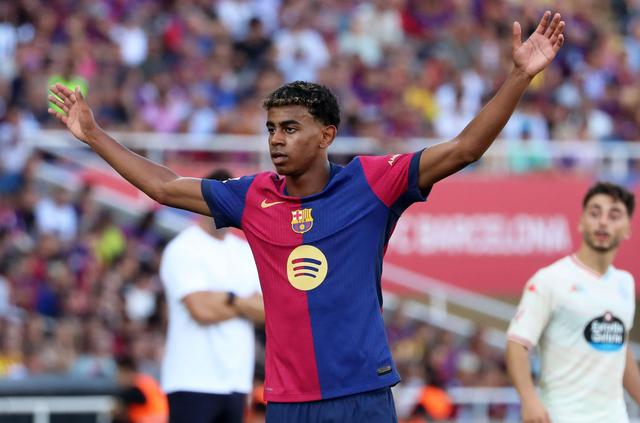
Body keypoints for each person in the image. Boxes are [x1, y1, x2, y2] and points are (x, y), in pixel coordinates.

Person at [48, 11, 565, 422]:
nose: (276, 139)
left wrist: (519, 76)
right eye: (271, 128)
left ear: (326, 135)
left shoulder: (372, 182)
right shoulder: (252, 197)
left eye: (291, 128)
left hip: (363, 393)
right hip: (289, 401)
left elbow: (465, 148)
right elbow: (164, 186)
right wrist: (94, 135)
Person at [506, 182, 640, 423]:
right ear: (581, 222)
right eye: (595, 213)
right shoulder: (550, 279)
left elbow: (620, 350)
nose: (603, 222)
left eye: (614, 215)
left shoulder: (625, 283)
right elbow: (517, 343)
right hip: (562, 416)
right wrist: (529, 399)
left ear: (628, 228)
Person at [159, 168, 264, 423]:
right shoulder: (183, 248)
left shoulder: (245, 251)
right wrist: (243, 303)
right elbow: (201, 311)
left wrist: (228, 299)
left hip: (237, 380)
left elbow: (267, 311)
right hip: (192, 380)